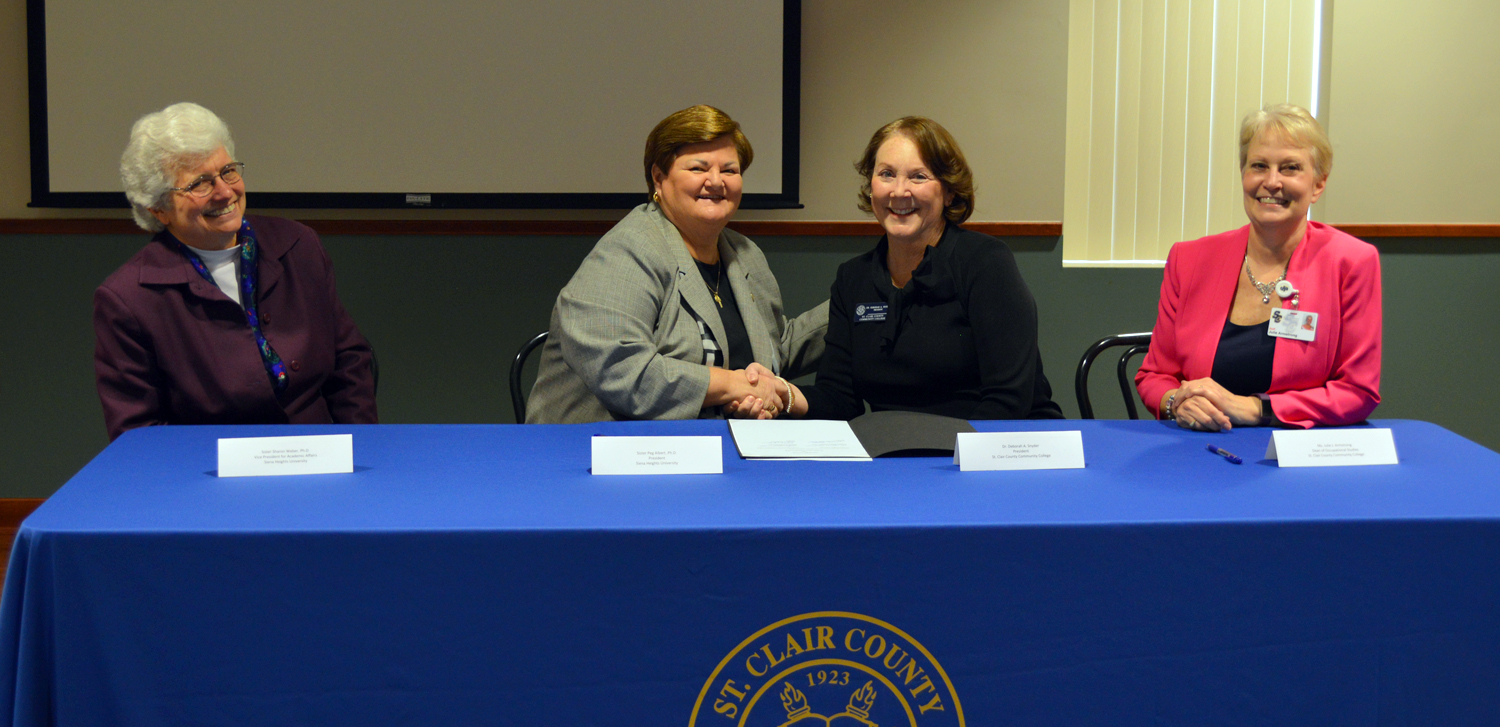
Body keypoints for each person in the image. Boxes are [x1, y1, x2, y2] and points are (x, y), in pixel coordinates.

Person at [526, 105, 827, 423]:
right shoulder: (627, 252)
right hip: (595, 453)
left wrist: (864, 303)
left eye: (729, 170)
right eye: (698, 168)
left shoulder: (744, 253)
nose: (716, 181)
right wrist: (732, 385)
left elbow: (775, 347)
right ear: (659, 178)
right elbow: (624, 372)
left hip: (710, 451)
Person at [96, 102, 377, 441]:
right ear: (159, 209)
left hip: (315, 456)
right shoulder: (129, 298)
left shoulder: (298, 245)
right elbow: (138, 432)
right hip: (210, 475)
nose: (225, 191)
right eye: (200, 183)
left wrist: (361, 447)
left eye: (228, 170)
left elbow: (349, 361)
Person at [757, 117, 1062, 420]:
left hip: (1000, 451)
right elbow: (840, 397)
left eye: (918, 177)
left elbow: (1008, 400)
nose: (899, 191)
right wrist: (787, 395)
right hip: (902, 455)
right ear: (870, 185)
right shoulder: (853, 279)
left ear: (949, 191)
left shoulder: (985, 263)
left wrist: (941, 457)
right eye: (887, 174)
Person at [1135, 104, 1381, 430]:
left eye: (1290, 168)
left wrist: (1256, 409)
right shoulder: (1189, 260)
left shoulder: (1351, 262)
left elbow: (1357, 391)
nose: (1272, 181)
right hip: (1202, 450)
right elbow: (1155, 375)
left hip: (1297, 456)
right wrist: (1176, 404)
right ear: (1244, 175)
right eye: (1259, 166)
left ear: (1318, 184)